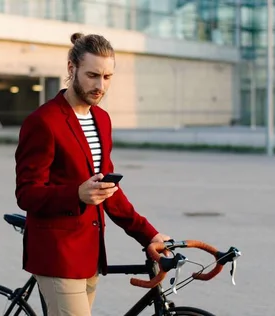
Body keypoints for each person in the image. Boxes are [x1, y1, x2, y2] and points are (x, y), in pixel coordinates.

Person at [14, 32, 171, 316]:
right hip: (57, 256)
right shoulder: (43, 122)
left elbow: (107, 190)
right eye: (92, 75)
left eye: (107, 77)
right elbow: (26, 193)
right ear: (71, 68)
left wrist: (149, 234)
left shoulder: (102, 119)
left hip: (90, 256)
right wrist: (75, 194)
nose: (100, 86)